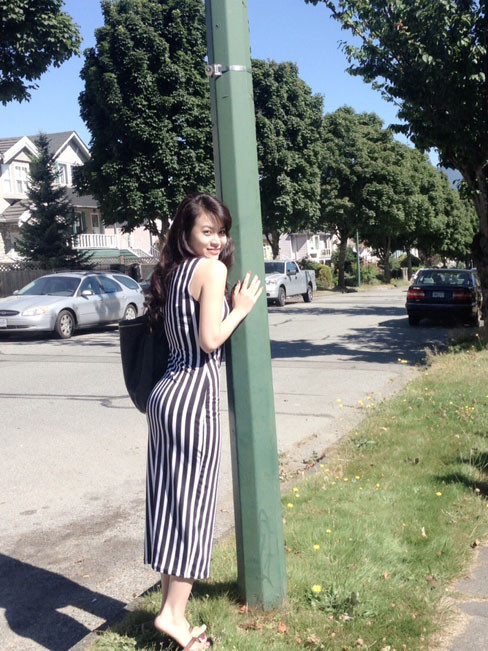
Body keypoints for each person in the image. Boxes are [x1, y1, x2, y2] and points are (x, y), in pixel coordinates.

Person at [144, 193, 263, 650]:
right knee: (192, 510)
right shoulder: (211, 271)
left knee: (171, 506)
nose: (217, 241)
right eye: (206, 231)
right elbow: (210, 340)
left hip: (165, 397)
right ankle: (172, 616)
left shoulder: (173, 273)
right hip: (192, 400)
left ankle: (172, 610)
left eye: (221, 231)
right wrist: (242, 308)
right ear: (187, 233)